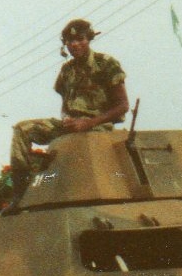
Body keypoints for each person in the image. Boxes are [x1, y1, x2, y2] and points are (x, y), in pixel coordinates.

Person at [8, 20, 129, 185]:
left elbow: (123, 105)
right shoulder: (67, 70)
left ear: (89, 39)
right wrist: (66, 119)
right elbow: (66, 104)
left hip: (97, 126)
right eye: (70, 41)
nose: (75, 44)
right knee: (22, 129)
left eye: (80, 39)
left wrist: (88, 123)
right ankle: (20, 190)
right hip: (71, 126)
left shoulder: (105, 63)